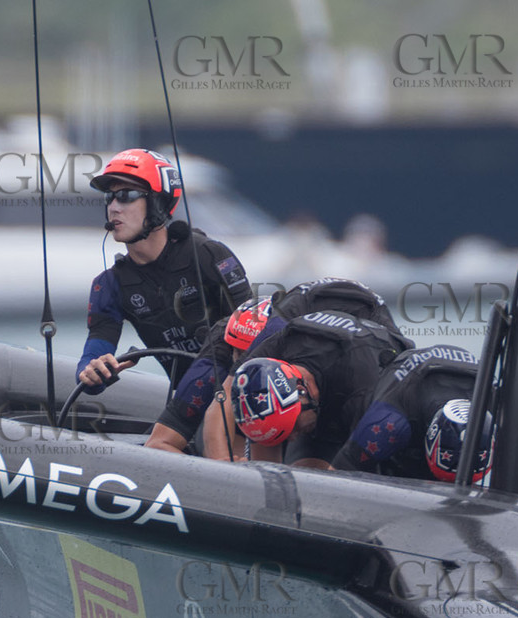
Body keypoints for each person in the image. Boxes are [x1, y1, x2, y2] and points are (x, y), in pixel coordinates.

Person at [75, 148, 252, 452]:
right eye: (110, 197)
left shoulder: (208, 255)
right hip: (188, 405)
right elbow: (94, 357)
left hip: (242, 393)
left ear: (158, 203)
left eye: (126, 196)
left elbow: (259, 333)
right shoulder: (109, 285)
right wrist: (92, 372)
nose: (114, 207)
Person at [224, 306, 410, 468]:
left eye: (293, 427)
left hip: (378, 398)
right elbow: (222, 398)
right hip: (323, 396)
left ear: (302, 392)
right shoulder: (281, 344)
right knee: (303, 471)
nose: (292, 438)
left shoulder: (361, 385)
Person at [331, 343, 491, 482]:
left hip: (458, 379)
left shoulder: (496, 406)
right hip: (403, 382)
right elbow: (340, 472)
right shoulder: (389, 421)